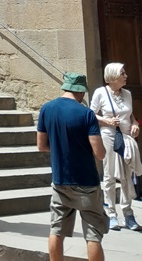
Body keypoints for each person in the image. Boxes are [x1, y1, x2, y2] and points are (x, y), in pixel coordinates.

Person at [37, 72, 107, 261]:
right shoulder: (86, 114)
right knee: (93, 235)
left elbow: (41, 146)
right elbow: (99, 153)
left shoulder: (46, 109)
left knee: (56, 230)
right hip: (87, 182)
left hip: (60, 180)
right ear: (81, 92)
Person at [90, 63, 142, 231]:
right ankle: (111, 213)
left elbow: (131, 115)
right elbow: (90, 114)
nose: (126, 76)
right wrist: (106, 121)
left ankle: (128, 213)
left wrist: (135, 124)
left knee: (128, 175)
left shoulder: (127, 94)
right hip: (109, 136)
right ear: (113, 76)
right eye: (122, 73)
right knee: (109, 174)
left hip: (126, 137)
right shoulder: (100, 93)